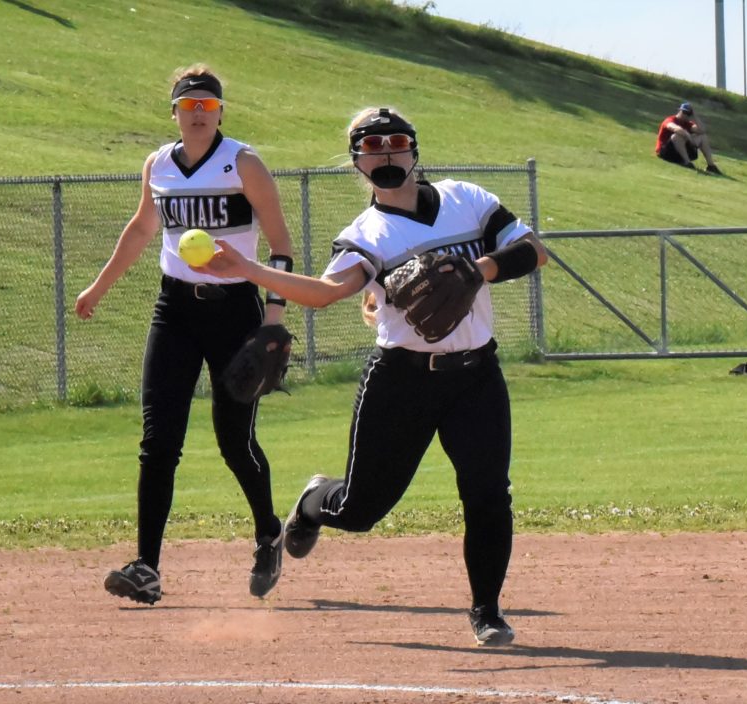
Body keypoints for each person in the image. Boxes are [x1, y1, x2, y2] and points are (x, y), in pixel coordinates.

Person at [198, 107, 547, 646]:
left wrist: (478, 270)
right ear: (356, 160)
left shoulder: (466, 199)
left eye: (395, 141)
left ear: (414, 150)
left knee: (488, 494)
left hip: (475, 376)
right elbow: (325, 293)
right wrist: (248, 269)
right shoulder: (366, 233)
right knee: (359, 511)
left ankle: (487, 611)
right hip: (401, 382)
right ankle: (314, 502)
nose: (386, 152)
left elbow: (534, 251)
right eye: (371, 145)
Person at [75, 64, 295, 604]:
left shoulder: (243, 163)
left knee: (234, 443)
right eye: (188, 105)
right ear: (173, 112)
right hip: (173, 310)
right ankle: (146, 567)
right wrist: (99, 287)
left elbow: (281, 245)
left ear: (220, 112)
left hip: (235, 312)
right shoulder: (158, 165)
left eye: (207, 105)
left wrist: (273, 317)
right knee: (158, 442)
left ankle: (269, 532)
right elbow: (141, 228)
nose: (198, 114)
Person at [655, 101, 723, 174]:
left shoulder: (688, 124)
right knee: (677, 136)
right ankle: (687, 162)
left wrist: (695, 116)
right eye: (684, 112)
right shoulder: (670, 120)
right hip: (665, 153)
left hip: (678, 154)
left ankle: (711, 166)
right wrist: (689, 138)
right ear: (679, 111)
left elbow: (702, 130)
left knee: (703, 137)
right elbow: (676, 128)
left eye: (688, 113)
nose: (685, 115)